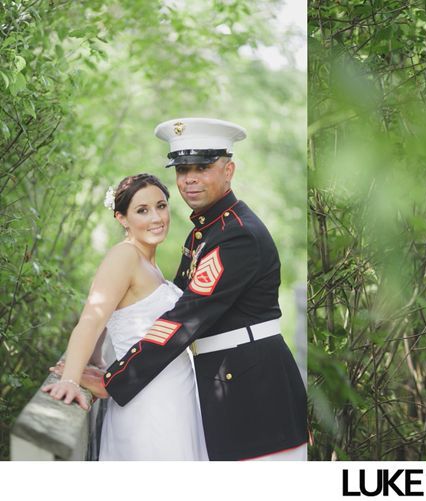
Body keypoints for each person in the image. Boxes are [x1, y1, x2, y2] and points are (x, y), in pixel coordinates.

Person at [74, 118, 309, 460]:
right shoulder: (206, 231)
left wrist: (115, 379)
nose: (190, 179)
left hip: (254, 395)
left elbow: (183, 319)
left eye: (203, 167)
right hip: (223, 385)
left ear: (228, 170)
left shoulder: (235, 236)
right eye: (183, 170)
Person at [43, 174, 208, 460]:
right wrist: (70, 379)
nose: (156, 217)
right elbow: (93, 318)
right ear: (122, 218)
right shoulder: (124, 257)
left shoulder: (150, 265)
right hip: (146, 405)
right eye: (142, 210)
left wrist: (95, 358)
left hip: (177, 398)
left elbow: (114, 316)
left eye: (161, 206)